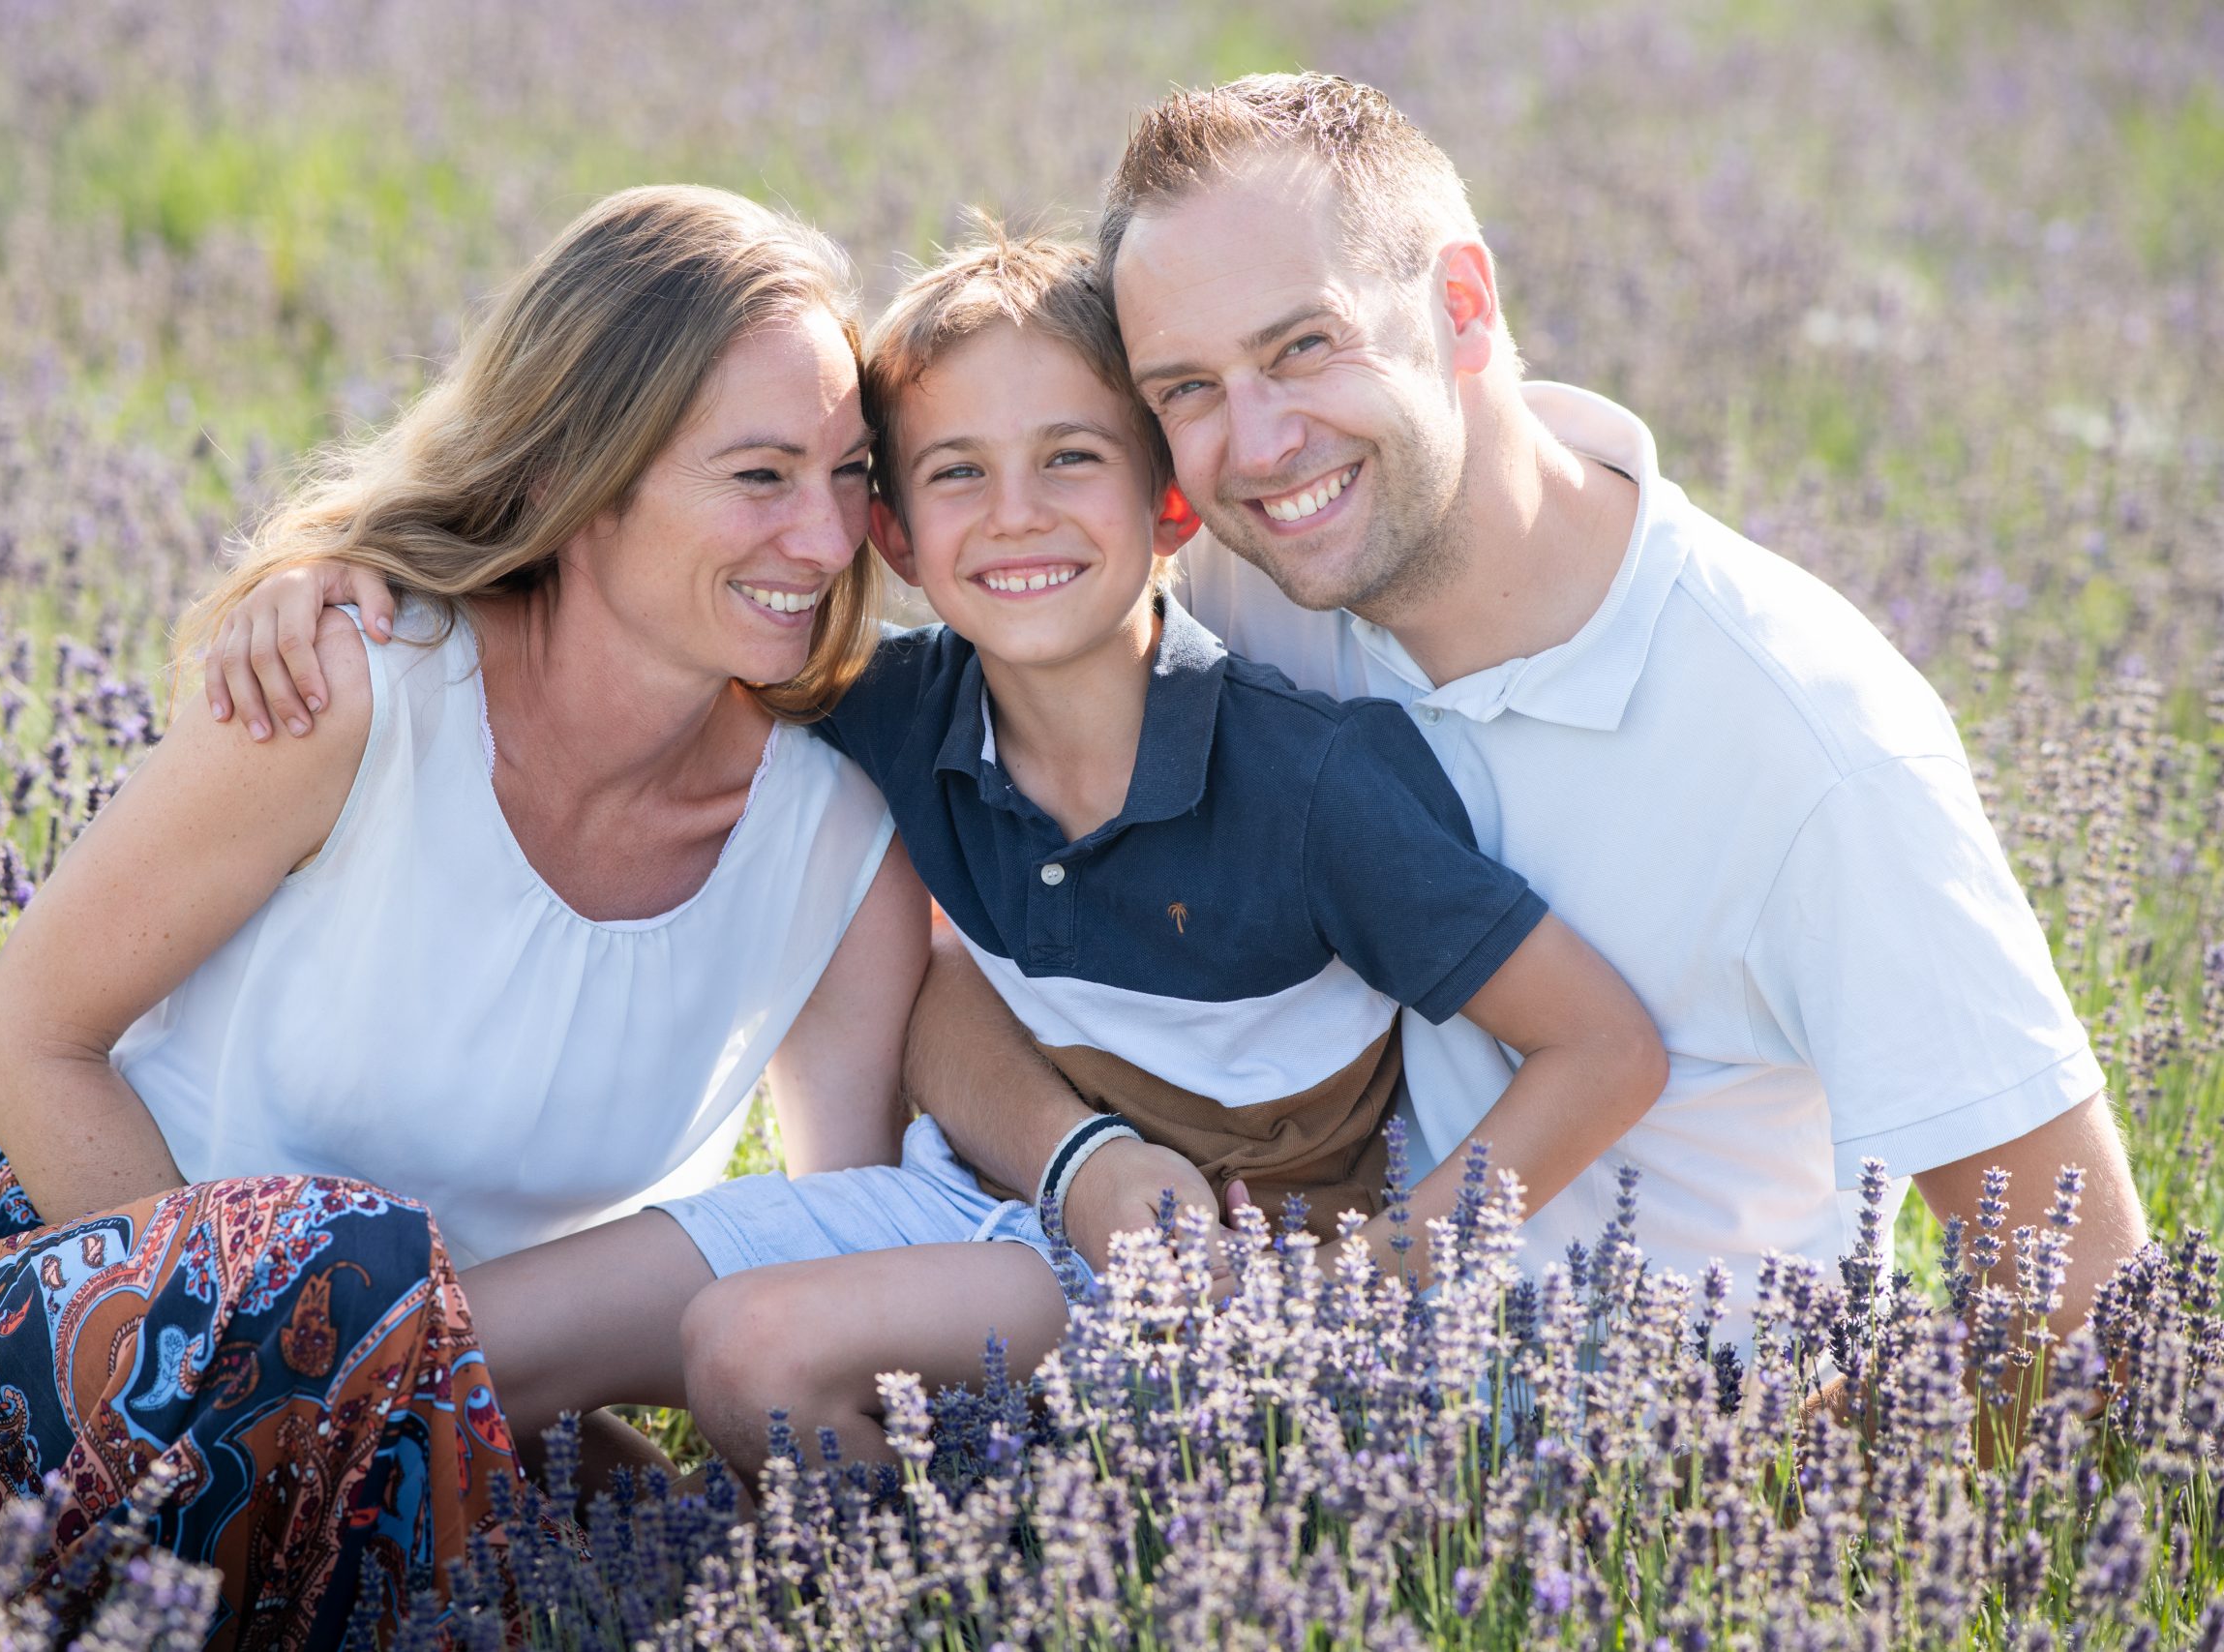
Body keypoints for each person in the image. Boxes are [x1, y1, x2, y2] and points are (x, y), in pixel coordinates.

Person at [207, 226, 1668, 1484]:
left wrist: (1378, 1292)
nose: (1017, 514)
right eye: (956, 474)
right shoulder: (890, 713)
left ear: (1169, 502)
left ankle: (987, 1590)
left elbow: (1606, 1050)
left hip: (1211, 1280)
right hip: (967, 1198)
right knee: (438, 1352)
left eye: (1071, 459)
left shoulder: (1313, 788)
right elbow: (622, 620)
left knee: (756, 1346)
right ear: (889, 537)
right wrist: (345, 577)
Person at [913, 74, 2149, 1337]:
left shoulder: (1809, 741)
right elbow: (965, 958)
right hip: (1297, 1392)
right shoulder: (1232, 593)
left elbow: (2080, 1296)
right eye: (1186, 388)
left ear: (1461, 305)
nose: (1261, 442)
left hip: (1657, 1469)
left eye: (1304, 346)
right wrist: (1080, 1163)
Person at [0, 185, 929, 1650]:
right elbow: (29, 1037)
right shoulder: (350, 693)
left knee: (656, 1544)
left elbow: (838, 1256)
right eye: (758, 476)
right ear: (586, 472)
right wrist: (254, 1374)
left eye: (849, 474)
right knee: (362, 1260)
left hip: (443, 1426)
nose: (821, 540)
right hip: (67, 1326)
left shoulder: (838, 850)